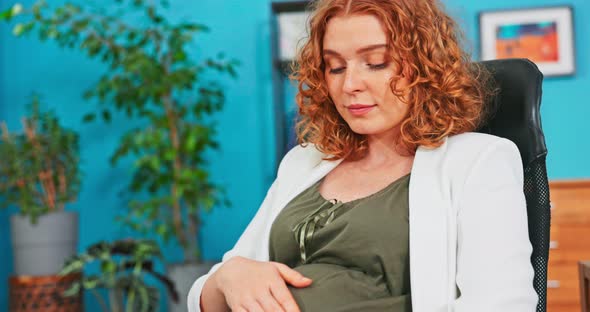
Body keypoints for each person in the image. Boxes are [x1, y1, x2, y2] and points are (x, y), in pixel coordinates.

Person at [188, 0, 539, 311]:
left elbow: (504, 304)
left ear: (425, 68)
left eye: (376, 62)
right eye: (335, 67)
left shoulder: (477, 161)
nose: (349, 84)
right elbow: (208, 291)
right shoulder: (304, 161)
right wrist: (228, 278)